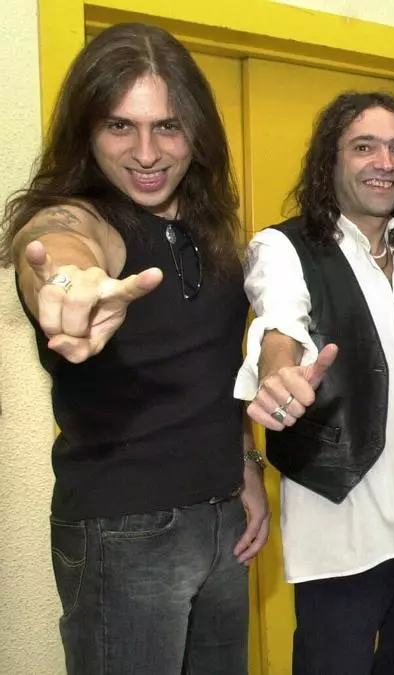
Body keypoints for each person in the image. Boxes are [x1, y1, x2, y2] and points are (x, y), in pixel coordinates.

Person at [0, 23, 268, 673]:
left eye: (167, 127)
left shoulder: (209, 226)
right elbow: (58, 242)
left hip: (222, 520)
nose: (146, 153)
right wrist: (66, 282)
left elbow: (217, 367)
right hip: (125, 532)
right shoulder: (86, 216)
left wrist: (246, 469)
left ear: (196, 132)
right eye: (120, 126)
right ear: (86, 131)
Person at [235, 92, 394, 674]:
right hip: (341, 529)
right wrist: (278, 370)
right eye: (364, 147)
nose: (385, 162)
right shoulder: (284, 247)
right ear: (329, 161)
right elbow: (279, 320)